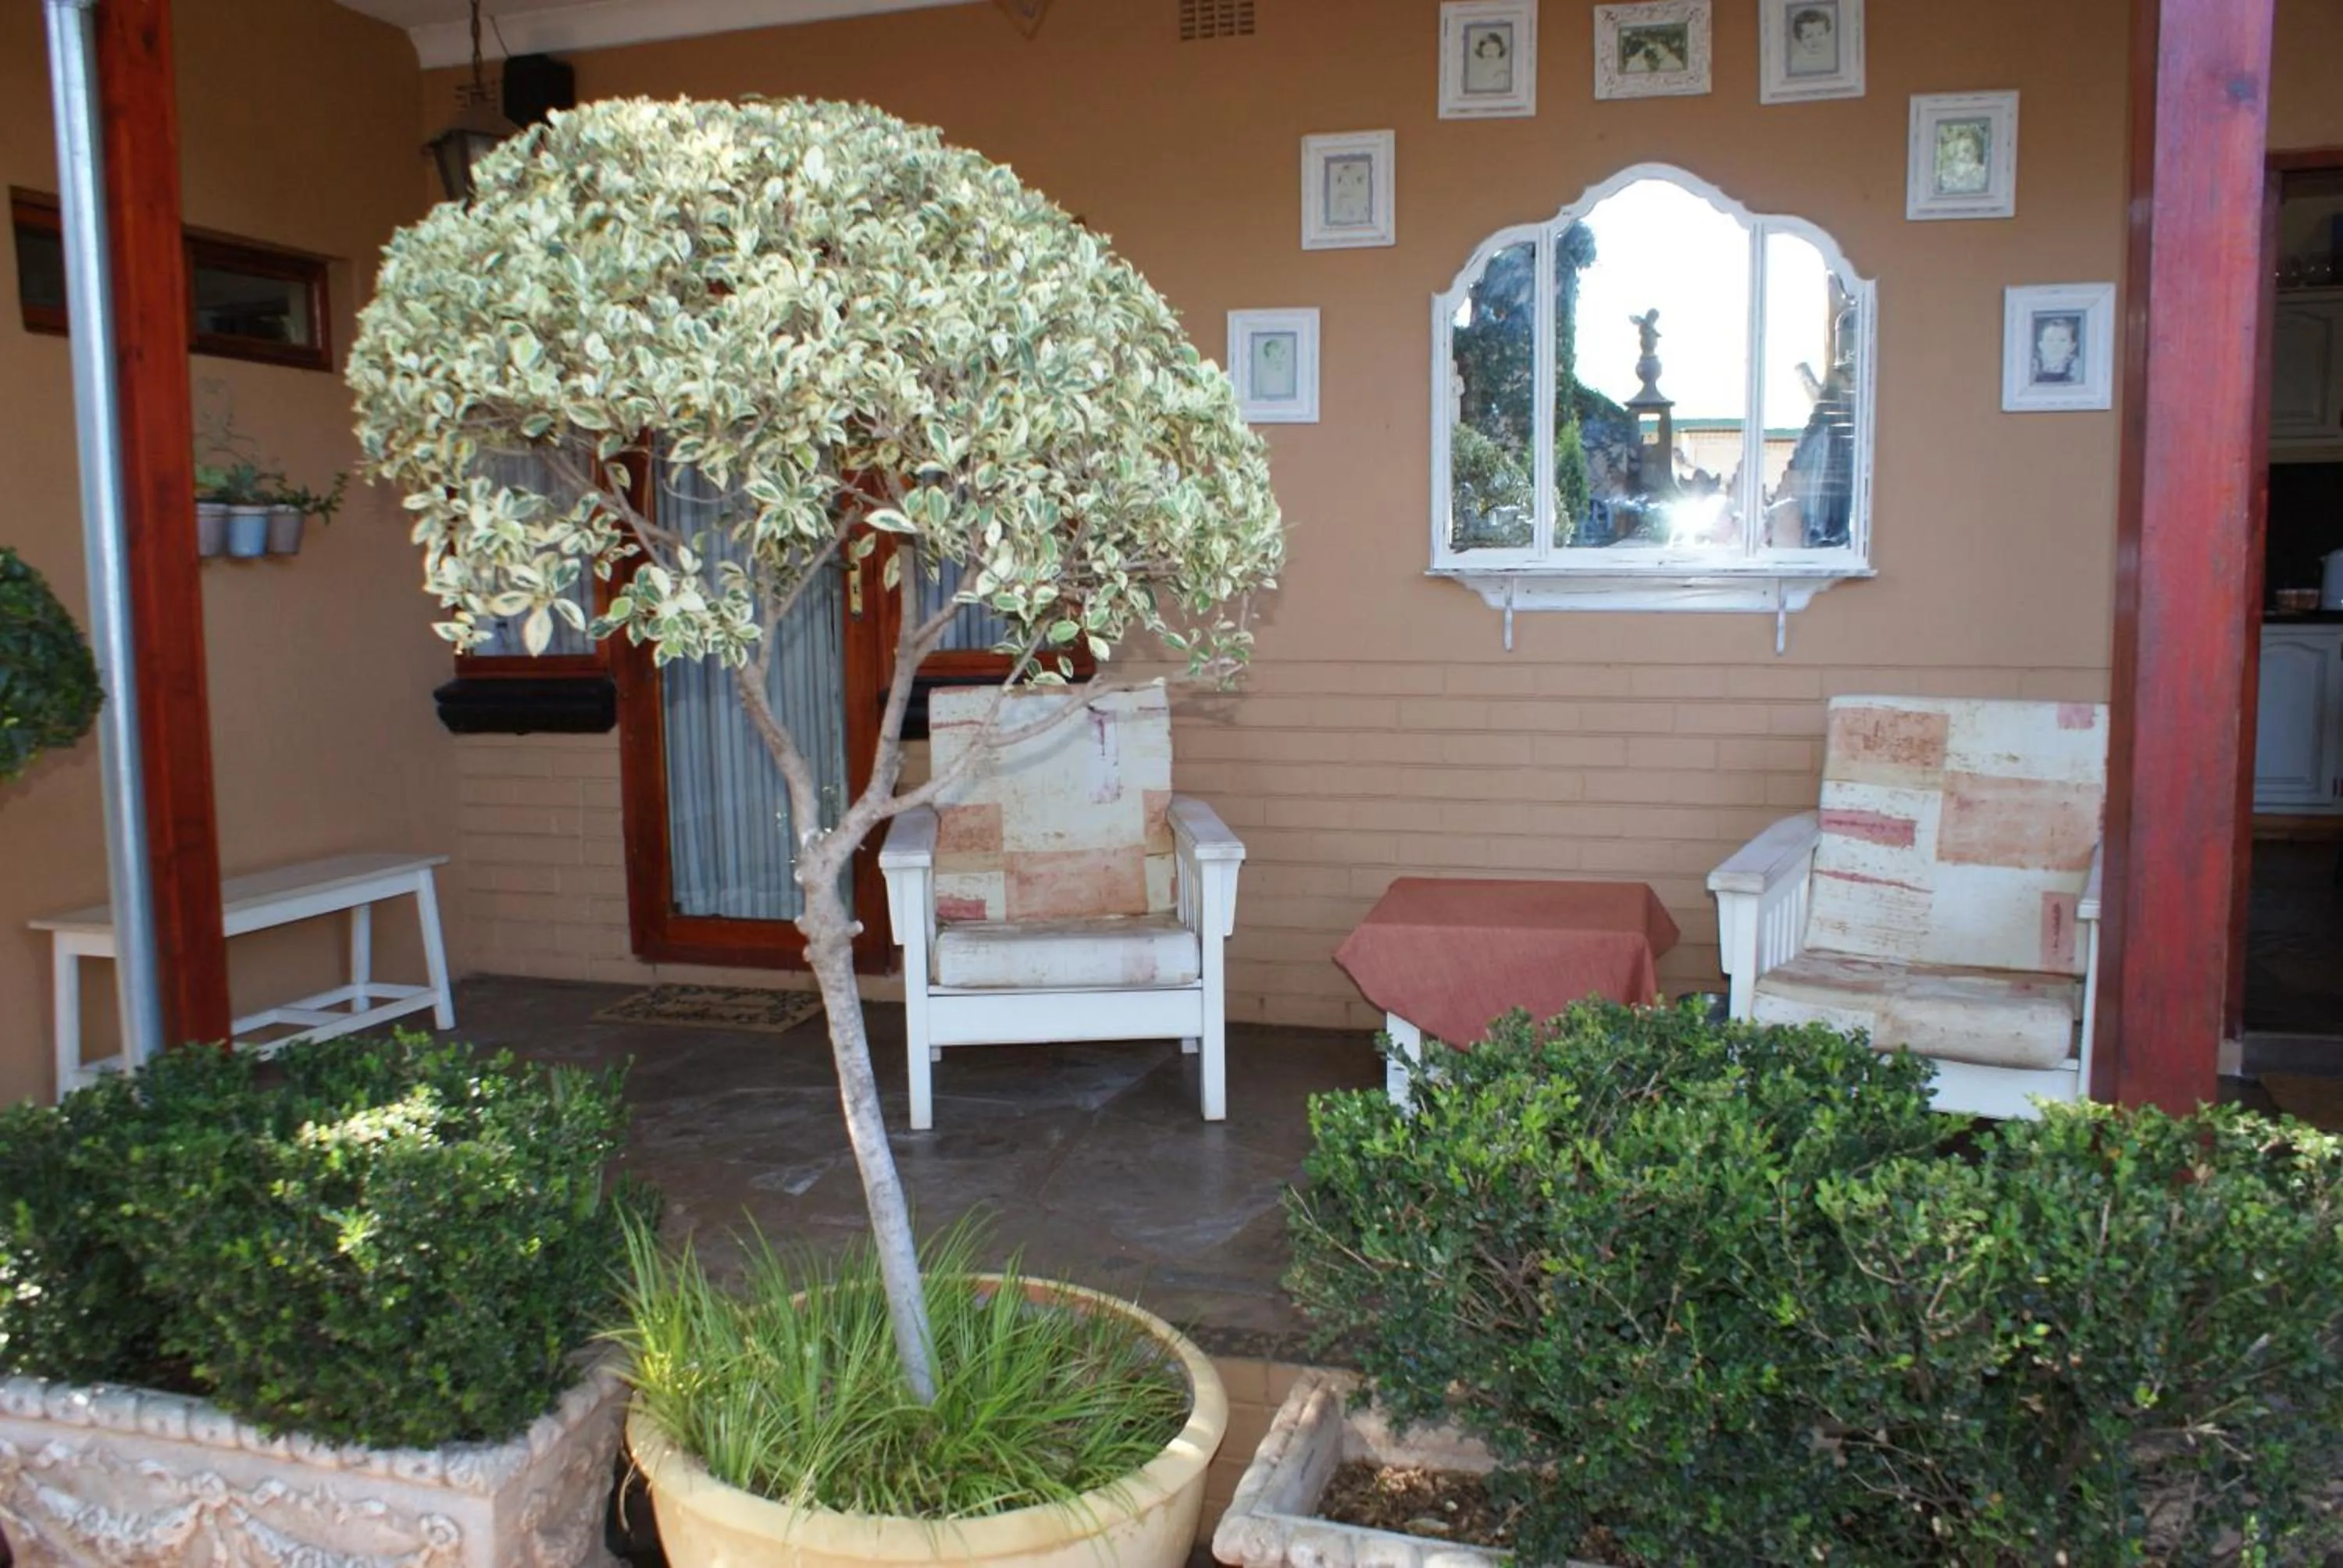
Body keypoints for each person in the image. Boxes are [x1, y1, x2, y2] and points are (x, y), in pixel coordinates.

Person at [1935, 121, 1991, 195]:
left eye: (1969, 150)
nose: (1967, 143)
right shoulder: (1945, 175)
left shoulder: (1982, 175)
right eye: (1965, 150)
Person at [1785, 5, 1836, 77]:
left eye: (1821, 34)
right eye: (1808, 36)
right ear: (1799, 38)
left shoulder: (1833, 59)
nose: (1815, 41)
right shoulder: (1796, 63)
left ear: (1828, 33)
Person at [2032, 315, 2081, 384]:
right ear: (2041, 345)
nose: (2056, 345)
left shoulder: (2077, 366)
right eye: (2050, 340)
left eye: (2062, 340)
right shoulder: (2033, 366)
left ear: (2072, 346)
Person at [1464, 26, 1510, 94]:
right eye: (1487, 49)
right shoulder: (1476, 71)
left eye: (1495, 49)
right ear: (1481, 50)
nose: (1491, 52)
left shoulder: (1503, 73)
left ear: (1500, 50)